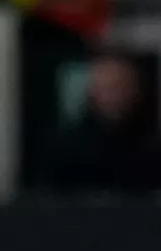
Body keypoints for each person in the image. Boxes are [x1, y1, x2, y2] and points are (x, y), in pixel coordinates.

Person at [42, 50, 161, 193]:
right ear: (93, 91)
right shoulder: (64, 145)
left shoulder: (151, 145)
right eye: (108, 87)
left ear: (135, 91)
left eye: (121, 87)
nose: (115, 96)